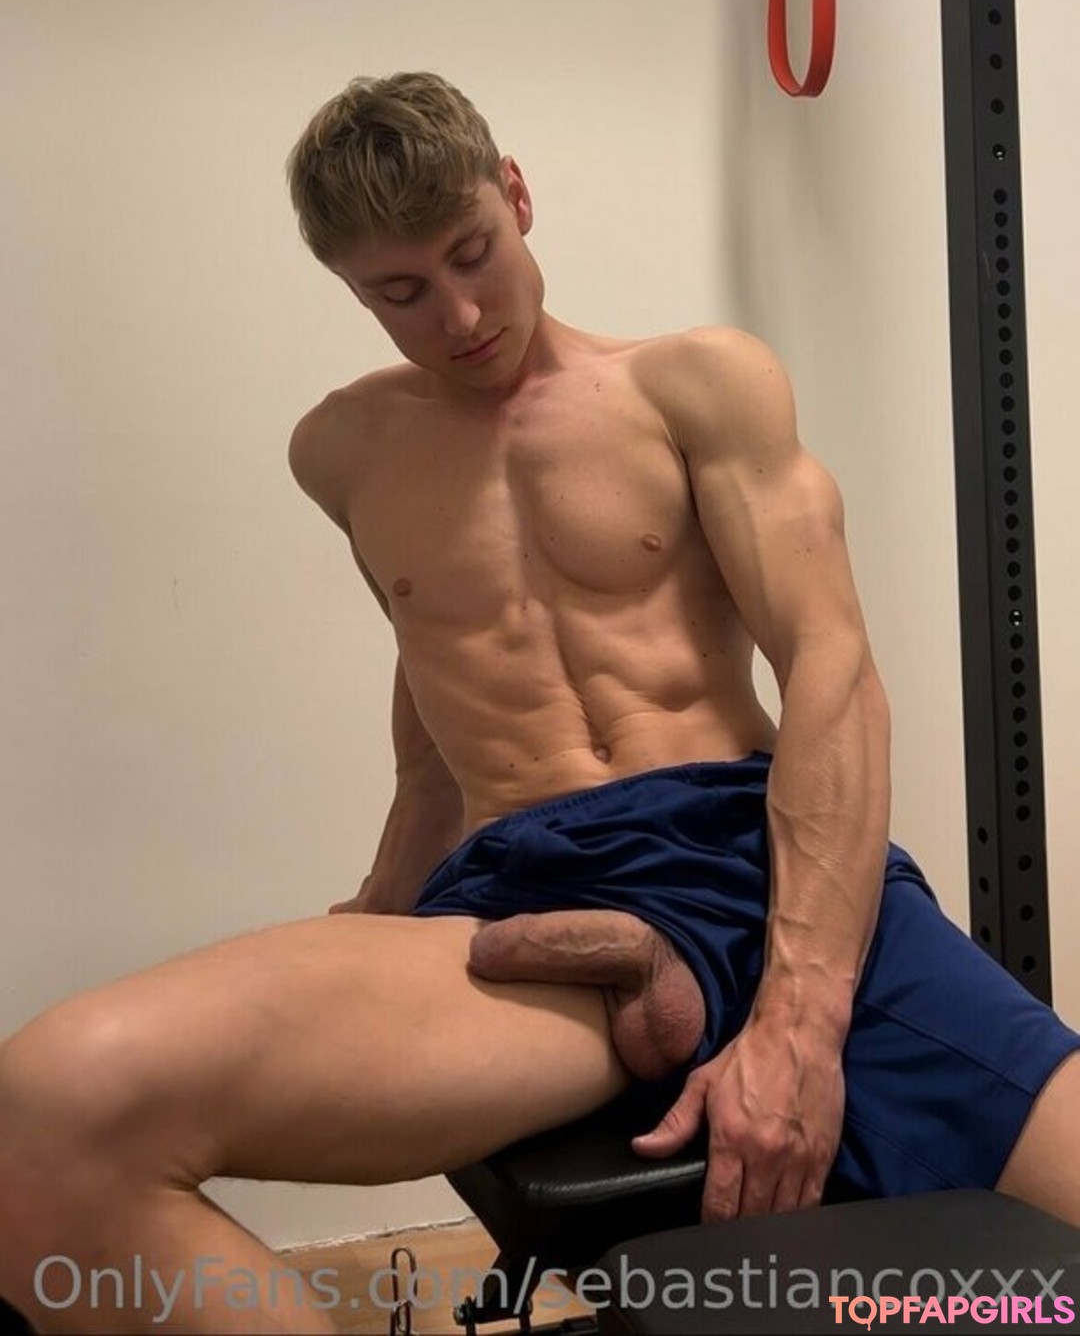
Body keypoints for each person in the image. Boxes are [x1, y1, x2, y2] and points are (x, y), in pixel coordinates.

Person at [0, 72, 1078, 1336]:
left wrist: (799, 1014)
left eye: (472, 253)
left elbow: (834, 673)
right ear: (350, 287)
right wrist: (378, 907)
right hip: (532, 903)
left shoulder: (697, 383)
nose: (458, 315)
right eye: (401, 290)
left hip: (749, 862)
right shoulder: (342, 451)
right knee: (52, 1113)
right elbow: (436, 720)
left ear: (514, 194)